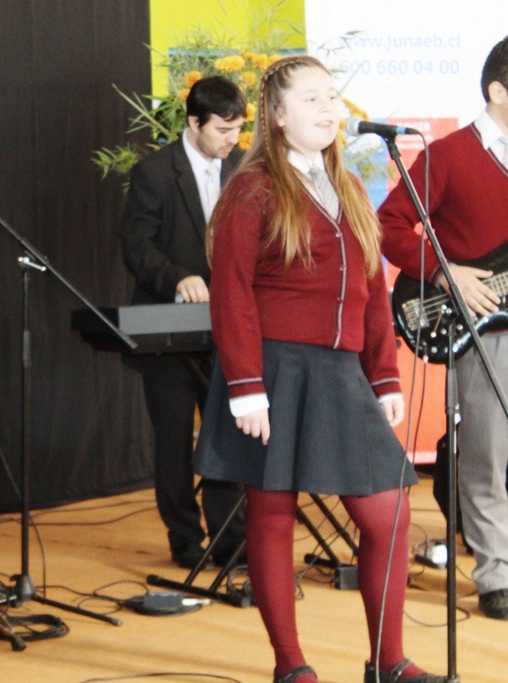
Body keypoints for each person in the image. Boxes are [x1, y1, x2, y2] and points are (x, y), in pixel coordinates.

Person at [194, 55, 445, 683]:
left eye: (331, 96)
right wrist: (246, 387)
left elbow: (371, 291)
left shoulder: (350, 187)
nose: (328, 108)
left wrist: (384, 375)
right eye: (311, 99)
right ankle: (291, 665)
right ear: (277, 117)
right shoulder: (253, 189)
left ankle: (388, 662)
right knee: (273, 513)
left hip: (339, 373)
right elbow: (231, 292)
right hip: (273, 370)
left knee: (388, 511)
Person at [378, 35, 508, 622]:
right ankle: (497, 575)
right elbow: (388, 226)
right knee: (486, 456)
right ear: (498, 91)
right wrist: (444, 271)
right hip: (479, 331)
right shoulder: (449, 155)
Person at [118, 76, 247, 569]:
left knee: (226, 435)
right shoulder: (154, 172)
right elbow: (136, 246)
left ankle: (231, 540)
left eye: (237, 129)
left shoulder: (243, 168)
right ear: (194, 122)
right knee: (173, 441)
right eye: (222, 130)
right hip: (168, 333)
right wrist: (178, 277)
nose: (232, 140)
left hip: (227, 328)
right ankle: (186, 540)